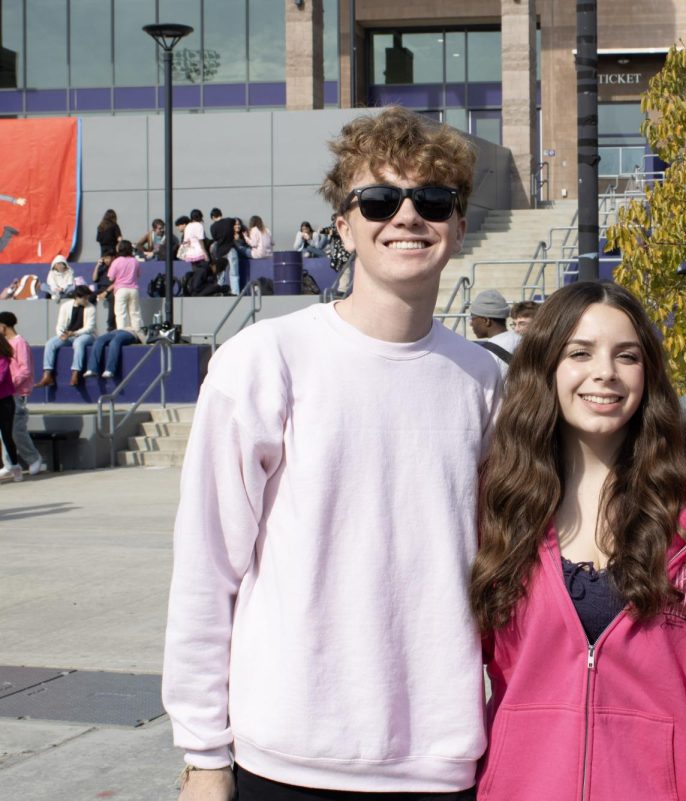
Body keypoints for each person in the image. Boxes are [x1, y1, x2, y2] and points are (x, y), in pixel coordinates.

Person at [162, 106, 498, 801]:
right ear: (343, 225)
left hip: (444, 762)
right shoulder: (263, 361)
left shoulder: (489, 380)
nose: (407, 216)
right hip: (286, 758)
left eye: (433, 200)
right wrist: (202, 755)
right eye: (379, 199)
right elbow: (206, 565)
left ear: (459, 225)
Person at [469, 281, 686, 800]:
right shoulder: (499, 495)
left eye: (626, 356)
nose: (604, 372)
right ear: (545, 366)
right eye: (580, 353)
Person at [0, 311, 43, 478]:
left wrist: (11, 384)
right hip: (6, 393)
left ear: (4, 326)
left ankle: (33, 458)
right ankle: (10, 463)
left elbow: (25, 370)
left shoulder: (20, 343)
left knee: (17, 431)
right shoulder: (4, 343)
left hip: (17, 393)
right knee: (4, 432)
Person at [35, 286, 97, 388]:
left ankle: (75, 373)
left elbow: (89, 328)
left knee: (79, 343)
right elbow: (60, 325)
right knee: (50, 343)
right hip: (68, 335)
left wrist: (73, 333)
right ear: (77, 297)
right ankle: (47, 375)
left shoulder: (91, 308)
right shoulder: (65, 306)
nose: (87, 300)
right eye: (84, 298)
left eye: (87, 298)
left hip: (86, 335)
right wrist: (62, 335)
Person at [469, 289, 522, 370]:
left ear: (486, 321)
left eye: (473, 318)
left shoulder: (486, 354)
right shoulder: (521, 341)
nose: (471, 323)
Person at [0, 333, 25, 482]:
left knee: (6, 435)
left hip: (4, 402)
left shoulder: (3, 360)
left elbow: (1, 377)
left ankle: (15, 466)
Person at [107, 240, 143, 332]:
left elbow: (111, 278)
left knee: (120, 313)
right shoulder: (134, 261)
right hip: (133, 289)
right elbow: (138, 275)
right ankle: (137, 332)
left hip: (121, 289)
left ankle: (121, 332)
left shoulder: (116, 261)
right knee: (135, 313)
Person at [209, 208, 238, 292]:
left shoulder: (213, 227)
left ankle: (218, 290)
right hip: (231, 249)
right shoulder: (229, 221)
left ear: (213, 217)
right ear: (220, 214)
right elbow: (235, 221)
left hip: (220, 252)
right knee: (234, 273)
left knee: (221, 273)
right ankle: (235, 292)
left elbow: (215, 239)